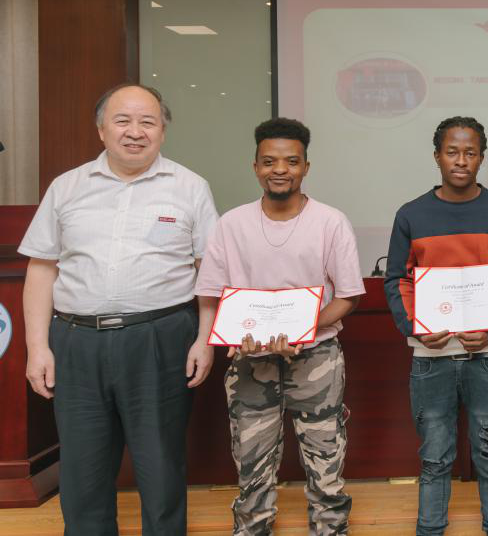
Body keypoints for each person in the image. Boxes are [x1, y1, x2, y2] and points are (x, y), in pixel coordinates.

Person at [19, 84, 218, 535]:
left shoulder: (190, 187)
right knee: (82, 469)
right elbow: (41, 269)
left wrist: (205, 338)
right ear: (101, 130)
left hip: (160, 338)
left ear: (162, 131)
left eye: (148, 122)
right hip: (76, 342)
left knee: (161, 464)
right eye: (123, 121)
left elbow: (209, 271)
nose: (135, 132)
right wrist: (37, 347)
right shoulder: (67, 187)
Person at [193, 117, 364, 535]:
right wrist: (222, 337)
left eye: (291, 161)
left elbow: (348, 296)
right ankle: (252, 529)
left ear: (306, 166)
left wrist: (305, 328)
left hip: (316, 357)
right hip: (249, 358)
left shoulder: (331, 221)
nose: (280, 169)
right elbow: (211, 292)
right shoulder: (231, 224)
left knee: (325, 461)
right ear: (255, 166)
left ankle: (330, 529)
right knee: (251, 463)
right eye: (269, 161)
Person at [384, 116, 488, 536]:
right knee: (434, 458)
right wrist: (415, 327)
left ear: (482, 158)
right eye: (452, 152)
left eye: (470, 153)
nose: (461, 160)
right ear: (437, 156)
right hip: (429, 356)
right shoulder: (411, 215)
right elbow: (397, 279)